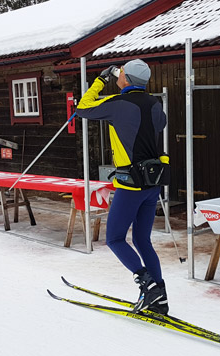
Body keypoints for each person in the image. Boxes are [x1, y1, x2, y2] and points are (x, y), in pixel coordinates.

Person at [76, 59, 169, 315]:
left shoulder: (117, 104)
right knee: (142, 240)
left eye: (121, 73)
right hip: (152, 183)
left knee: (115, 238)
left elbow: (82, 108)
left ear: (125, 79)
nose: (119, 76)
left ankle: (147, 284)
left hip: (130, 185)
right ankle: (159, 296)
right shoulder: (155, 103)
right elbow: (159, 125)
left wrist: (100, 80)